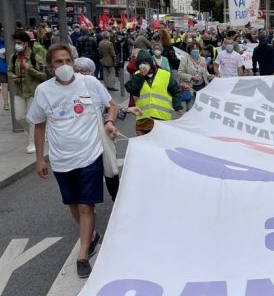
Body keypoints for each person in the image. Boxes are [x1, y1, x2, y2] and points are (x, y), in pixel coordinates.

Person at [27, 44, 119, 278]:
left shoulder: (89, 83)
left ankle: (83, 253)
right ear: (50, 66)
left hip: (90, 154)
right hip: (60, 159)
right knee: (73, 204)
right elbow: (39, 126)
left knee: (86, 206)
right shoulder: (43, 91)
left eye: (68, 60)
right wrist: (40, 159)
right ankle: (92, 235)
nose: (64, 66)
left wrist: (109, 121)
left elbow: (112, 104)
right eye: (58, 62)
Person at [73, 57, 141, 201]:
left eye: (84, 71)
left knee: (110, 167)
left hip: (101, 135)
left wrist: (126, 110)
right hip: (80, 139)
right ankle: (86, 203)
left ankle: (117, 199)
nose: (80, 74)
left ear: (92, 72)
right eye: (77, 71)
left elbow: (108, 106)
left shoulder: (95, 85)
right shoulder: (69, 90)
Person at [8, 30, 48, 154]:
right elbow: (9, 70)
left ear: (26, 43)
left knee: (32, 119)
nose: (17, 45)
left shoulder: (35, 57)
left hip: (33, 91)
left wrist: (29, 69)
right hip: (19, 91)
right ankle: (40, 131)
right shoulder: (14, 56)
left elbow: (44, 75)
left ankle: (33, 142)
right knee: (19, 116)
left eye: (19, 43)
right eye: (16, 43)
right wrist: (13, 76)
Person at [125, 50, 182, 135]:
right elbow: (132, 89)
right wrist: (141, 76)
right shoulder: (137, 76)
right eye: (140, 64)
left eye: (145, 63)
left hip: (162, 119)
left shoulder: (164, 75)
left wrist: (177, 107)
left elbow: (176, 91)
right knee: (143, 146)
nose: (142, 66)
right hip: (143, 120)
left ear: (150, 63)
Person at [178, 42, 213, 110]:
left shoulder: (202, 59)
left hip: (202, 86)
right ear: (189, 50)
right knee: (190, 107)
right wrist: (191, 77)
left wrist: (208, 75)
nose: (195, 50)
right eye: (193, 48)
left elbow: (205, 71)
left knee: (201, 107)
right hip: (190, 87)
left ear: (200, 50)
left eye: (196, 48)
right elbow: (180, 73)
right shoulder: (185, 59)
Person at [0, 23, 8, 111]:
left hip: (2, 64)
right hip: (3, 63)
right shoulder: (4, 39)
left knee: (4, 85)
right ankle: (6, 104)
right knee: (5, 84)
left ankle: (6, 103)